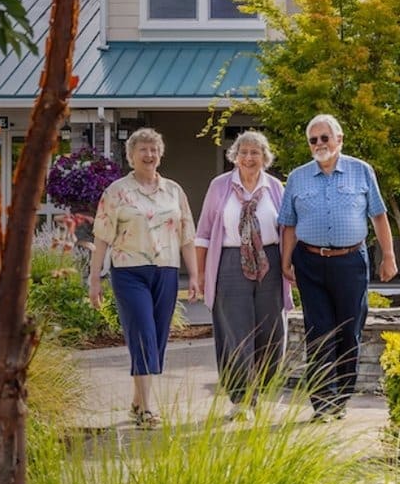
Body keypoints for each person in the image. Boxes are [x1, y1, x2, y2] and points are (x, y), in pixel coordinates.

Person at [278, 114, 397, 420]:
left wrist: (389, 256)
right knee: (318, 333)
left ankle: (341, 400)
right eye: (313, 140)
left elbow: (379, 216)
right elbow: (289, 225)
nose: (319, 144)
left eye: (324, 138)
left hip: (350, 262)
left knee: (349, 331)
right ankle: (322, 403)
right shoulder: (297, 177)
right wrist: (286, 260)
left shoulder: (361, 171)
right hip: (310, 263)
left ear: (339, 139)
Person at [86, 127, 198, 429]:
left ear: (160, 155)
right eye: (143, 150)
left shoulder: (174, 191)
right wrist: (94, 278)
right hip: (128, 271)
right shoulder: (116, 192)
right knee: (143, 333)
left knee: (158, 337)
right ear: (131, 155)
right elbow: (102, 238)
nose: (149, 155)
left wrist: (195, 276)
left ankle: (136, 401)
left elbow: (187, 235)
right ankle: (148, 409)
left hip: (168, 270)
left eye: (153, 149)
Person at [192, 130, 288, 414]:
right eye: (243, 152)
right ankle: (240, 399)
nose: (249, 157)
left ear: (264, 157)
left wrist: (289, 264)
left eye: (255, 152)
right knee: (235, 331)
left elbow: (288, 229)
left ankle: (258, 388)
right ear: (235, 156)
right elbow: (204, 234)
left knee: (272, 331)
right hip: (230, 262)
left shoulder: (275, 187)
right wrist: (198, 275)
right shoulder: (219, 186)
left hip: (269, 262)